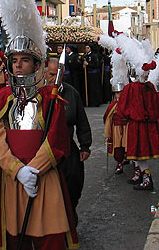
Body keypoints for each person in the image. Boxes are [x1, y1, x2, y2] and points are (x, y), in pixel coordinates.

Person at [0, 0, 78, 249]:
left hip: (44, 179)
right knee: (15, 240)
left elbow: (57, 141)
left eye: (25, 60)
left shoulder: (51, 98)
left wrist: (33, 170)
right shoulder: (1, 99)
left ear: (37, 65)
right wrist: (17, 170)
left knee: (50, 239)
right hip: (12, 181)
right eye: (14, 60)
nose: (18, 66)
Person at [114, 34, 159, 190]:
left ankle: (147, 178)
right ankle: (140, 175)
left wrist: (124, 117)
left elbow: (123, 107)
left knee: (139, 152)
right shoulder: (149, 87)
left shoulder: (131, 88)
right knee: (139, 152)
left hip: (137, 125)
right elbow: (157, 108)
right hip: (148, 125)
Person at [45, 57, 92, 223]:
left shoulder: (71, 92)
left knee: (74, 181)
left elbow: (81, 120)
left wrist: (85, 146)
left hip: (67, 146)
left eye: (58, 74)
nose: (54, 79)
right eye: (51, 75)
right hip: (44, 149)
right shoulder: (39, 93)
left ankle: (70, 215)